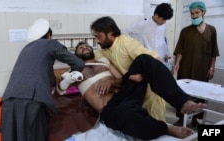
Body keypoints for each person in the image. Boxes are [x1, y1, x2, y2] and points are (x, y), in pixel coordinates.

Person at [70, 41, 206, 140]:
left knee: (143, 59)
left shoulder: (104, 61)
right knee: (125, 113)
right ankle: (167, 129)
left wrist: (112, 81)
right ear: (76, 54)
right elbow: (59, 90)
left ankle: (182, 102)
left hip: (123, 94)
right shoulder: (74, 70)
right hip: (110, 109)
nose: (85, 47)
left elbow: (121, 79)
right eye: (81, 47)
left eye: (87, 46)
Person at [0, 19, 84, 141]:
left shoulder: (26, 49)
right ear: (49, 35)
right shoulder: (50, 44)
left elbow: (43, 76)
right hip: (32, 100)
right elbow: (79, 63)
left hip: (8, 101)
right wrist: (70, 76)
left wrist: (58, 79)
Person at [91, 16, 167, 121]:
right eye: (95, 37)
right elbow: (97, 65)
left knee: (155, 125)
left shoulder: (126, 43)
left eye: (99, 36)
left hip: (149, 91)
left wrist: (143, 75)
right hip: (130, 90)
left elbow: (156, 61)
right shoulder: (101, 51)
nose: (97, 41)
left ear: (110, 33)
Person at [172, 1, 220, 127]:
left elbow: (214, 52)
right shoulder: (185, 31)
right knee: (183, 93)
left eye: (197, 13)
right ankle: (181, 118)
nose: (194, 16)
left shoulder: (211, 30)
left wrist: (212, 68)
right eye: (192, 13)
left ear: (204, 12)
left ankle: (195, 120)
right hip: (186, 69)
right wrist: (177, 64)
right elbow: (180, 51)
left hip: (202, 69)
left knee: (200, 94)